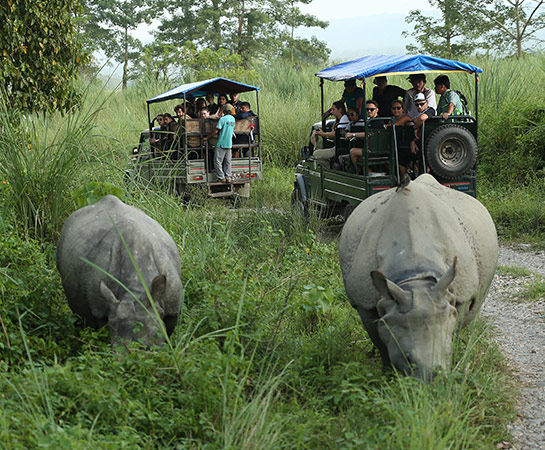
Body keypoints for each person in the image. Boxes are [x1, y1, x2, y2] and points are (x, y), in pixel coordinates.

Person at [348, 100, 384, 171]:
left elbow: (367, 134)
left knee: (352, 151)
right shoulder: (370, 121)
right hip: (370, 148)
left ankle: (358, 171)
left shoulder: (377, 121)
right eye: (367, 109)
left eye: (371, 109)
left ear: (377, 110)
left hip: (374, 150)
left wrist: (353, 134)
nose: (369, 111)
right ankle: (366, 171)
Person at [203, 103, 236, 183]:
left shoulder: (222, 119)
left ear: (224, 110)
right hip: (229, 144)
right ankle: (228, 177)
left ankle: (221, 177)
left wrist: (207, 137)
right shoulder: (233, 119)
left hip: (221, 143)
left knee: (217, 162)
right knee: (228, 162)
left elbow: (216, 130)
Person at [313, 100, 350, 168]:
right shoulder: (339, 120)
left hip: (341, 147)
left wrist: (323, 134)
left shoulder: (344, 119)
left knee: (316, 154)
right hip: (337, 146)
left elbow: (334, 134)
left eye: (333, 109)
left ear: (340, 110)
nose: (331, 112)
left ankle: (328, 169)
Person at [406, 92, 436, 174]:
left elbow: (422, 118)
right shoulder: (419, 114)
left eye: (422, 104)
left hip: (432, 143)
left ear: (427, 103)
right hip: (422, 141)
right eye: (417, 105)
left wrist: (415, 126)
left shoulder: (431, 110)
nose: (419, 106)